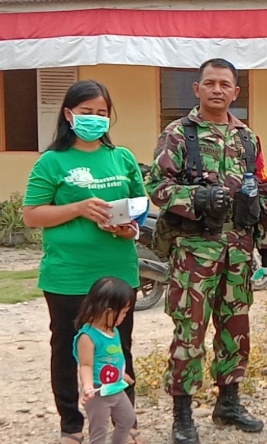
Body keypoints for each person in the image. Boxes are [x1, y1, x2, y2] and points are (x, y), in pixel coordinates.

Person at [145, 58, 267, 444]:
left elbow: (263, 192)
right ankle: (182, 413)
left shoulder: (247, 139)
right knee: (189, 331)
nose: (217, 90)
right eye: (210, 83)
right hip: (194, 252)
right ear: (197, 89)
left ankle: (229, 402)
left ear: (236, 92)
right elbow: (156, 185)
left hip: (238, 252)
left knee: (235, 329)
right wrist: (196, 197)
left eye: (225, 84)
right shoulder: (177, 134)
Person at [22, 80, 147, 444]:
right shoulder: (52, 161)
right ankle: (72, 424)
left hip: (118, 272)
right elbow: (31, 214)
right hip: (68, 274)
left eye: (102, 112)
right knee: (69, 347)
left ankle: (124, 417)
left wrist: (130, 229)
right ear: (68, 115)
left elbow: (139, 208)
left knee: (119, 346)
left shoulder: (122, 158)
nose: (95, 119)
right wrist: (77, 208)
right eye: (87, 112)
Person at [73, 277, 137, 444]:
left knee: (127, 419)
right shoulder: (88, 337)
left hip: (115, 388)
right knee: (99, 431)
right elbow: (85, 365)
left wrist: (122, 374)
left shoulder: (113, 331)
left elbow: (113, 358)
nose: (124, 317)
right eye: (123, 312)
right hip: (98, 392)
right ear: (107, 310)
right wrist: (87, 386)